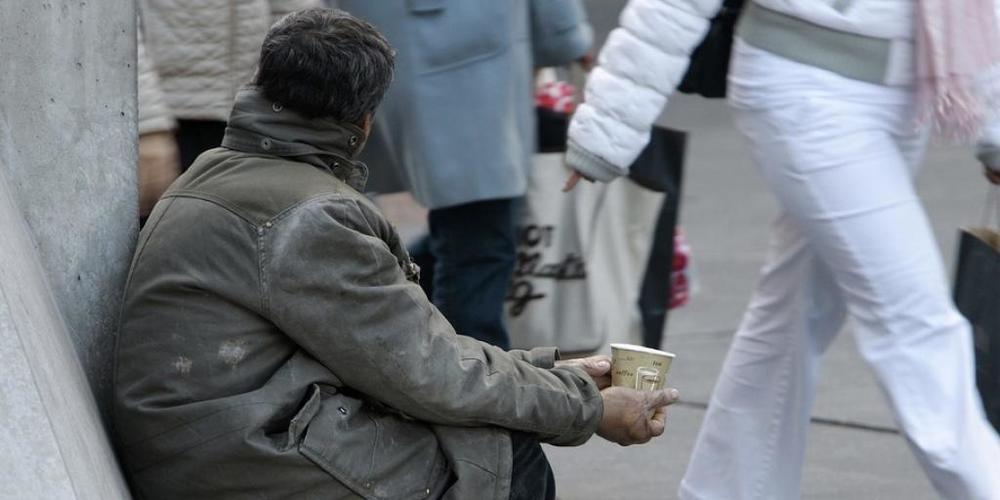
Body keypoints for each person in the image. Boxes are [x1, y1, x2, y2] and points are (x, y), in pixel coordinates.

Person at [113, 9, 679, 500]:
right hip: (242, 455)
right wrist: (586, 408)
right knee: (501, 462)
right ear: (364, 122)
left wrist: (552, 374)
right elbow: (430, 375)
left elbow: (410, 358)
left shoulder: (216, 174)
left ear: (262, 86)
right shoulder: (312, 217)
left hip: (217, 440)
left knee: (480, 431)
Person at [564, 0, 1000, 498]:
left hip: (905, 96)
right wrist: (608, 125)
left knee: (791, 316)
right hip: (807, 87)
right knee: (915, 323)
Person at [328, 0, 593, 349]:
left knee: (472, 234)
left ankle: (380, 321)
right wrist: (565, 35)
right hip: (471, 56)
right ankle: (469, 371)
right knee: (481, 242)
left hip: (400, 47)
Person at [137, 0, 320, 171]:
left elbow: (294, 14)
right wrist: (148, 124)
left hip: (255, 113)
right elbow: (121, 29)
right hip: (173, 119)